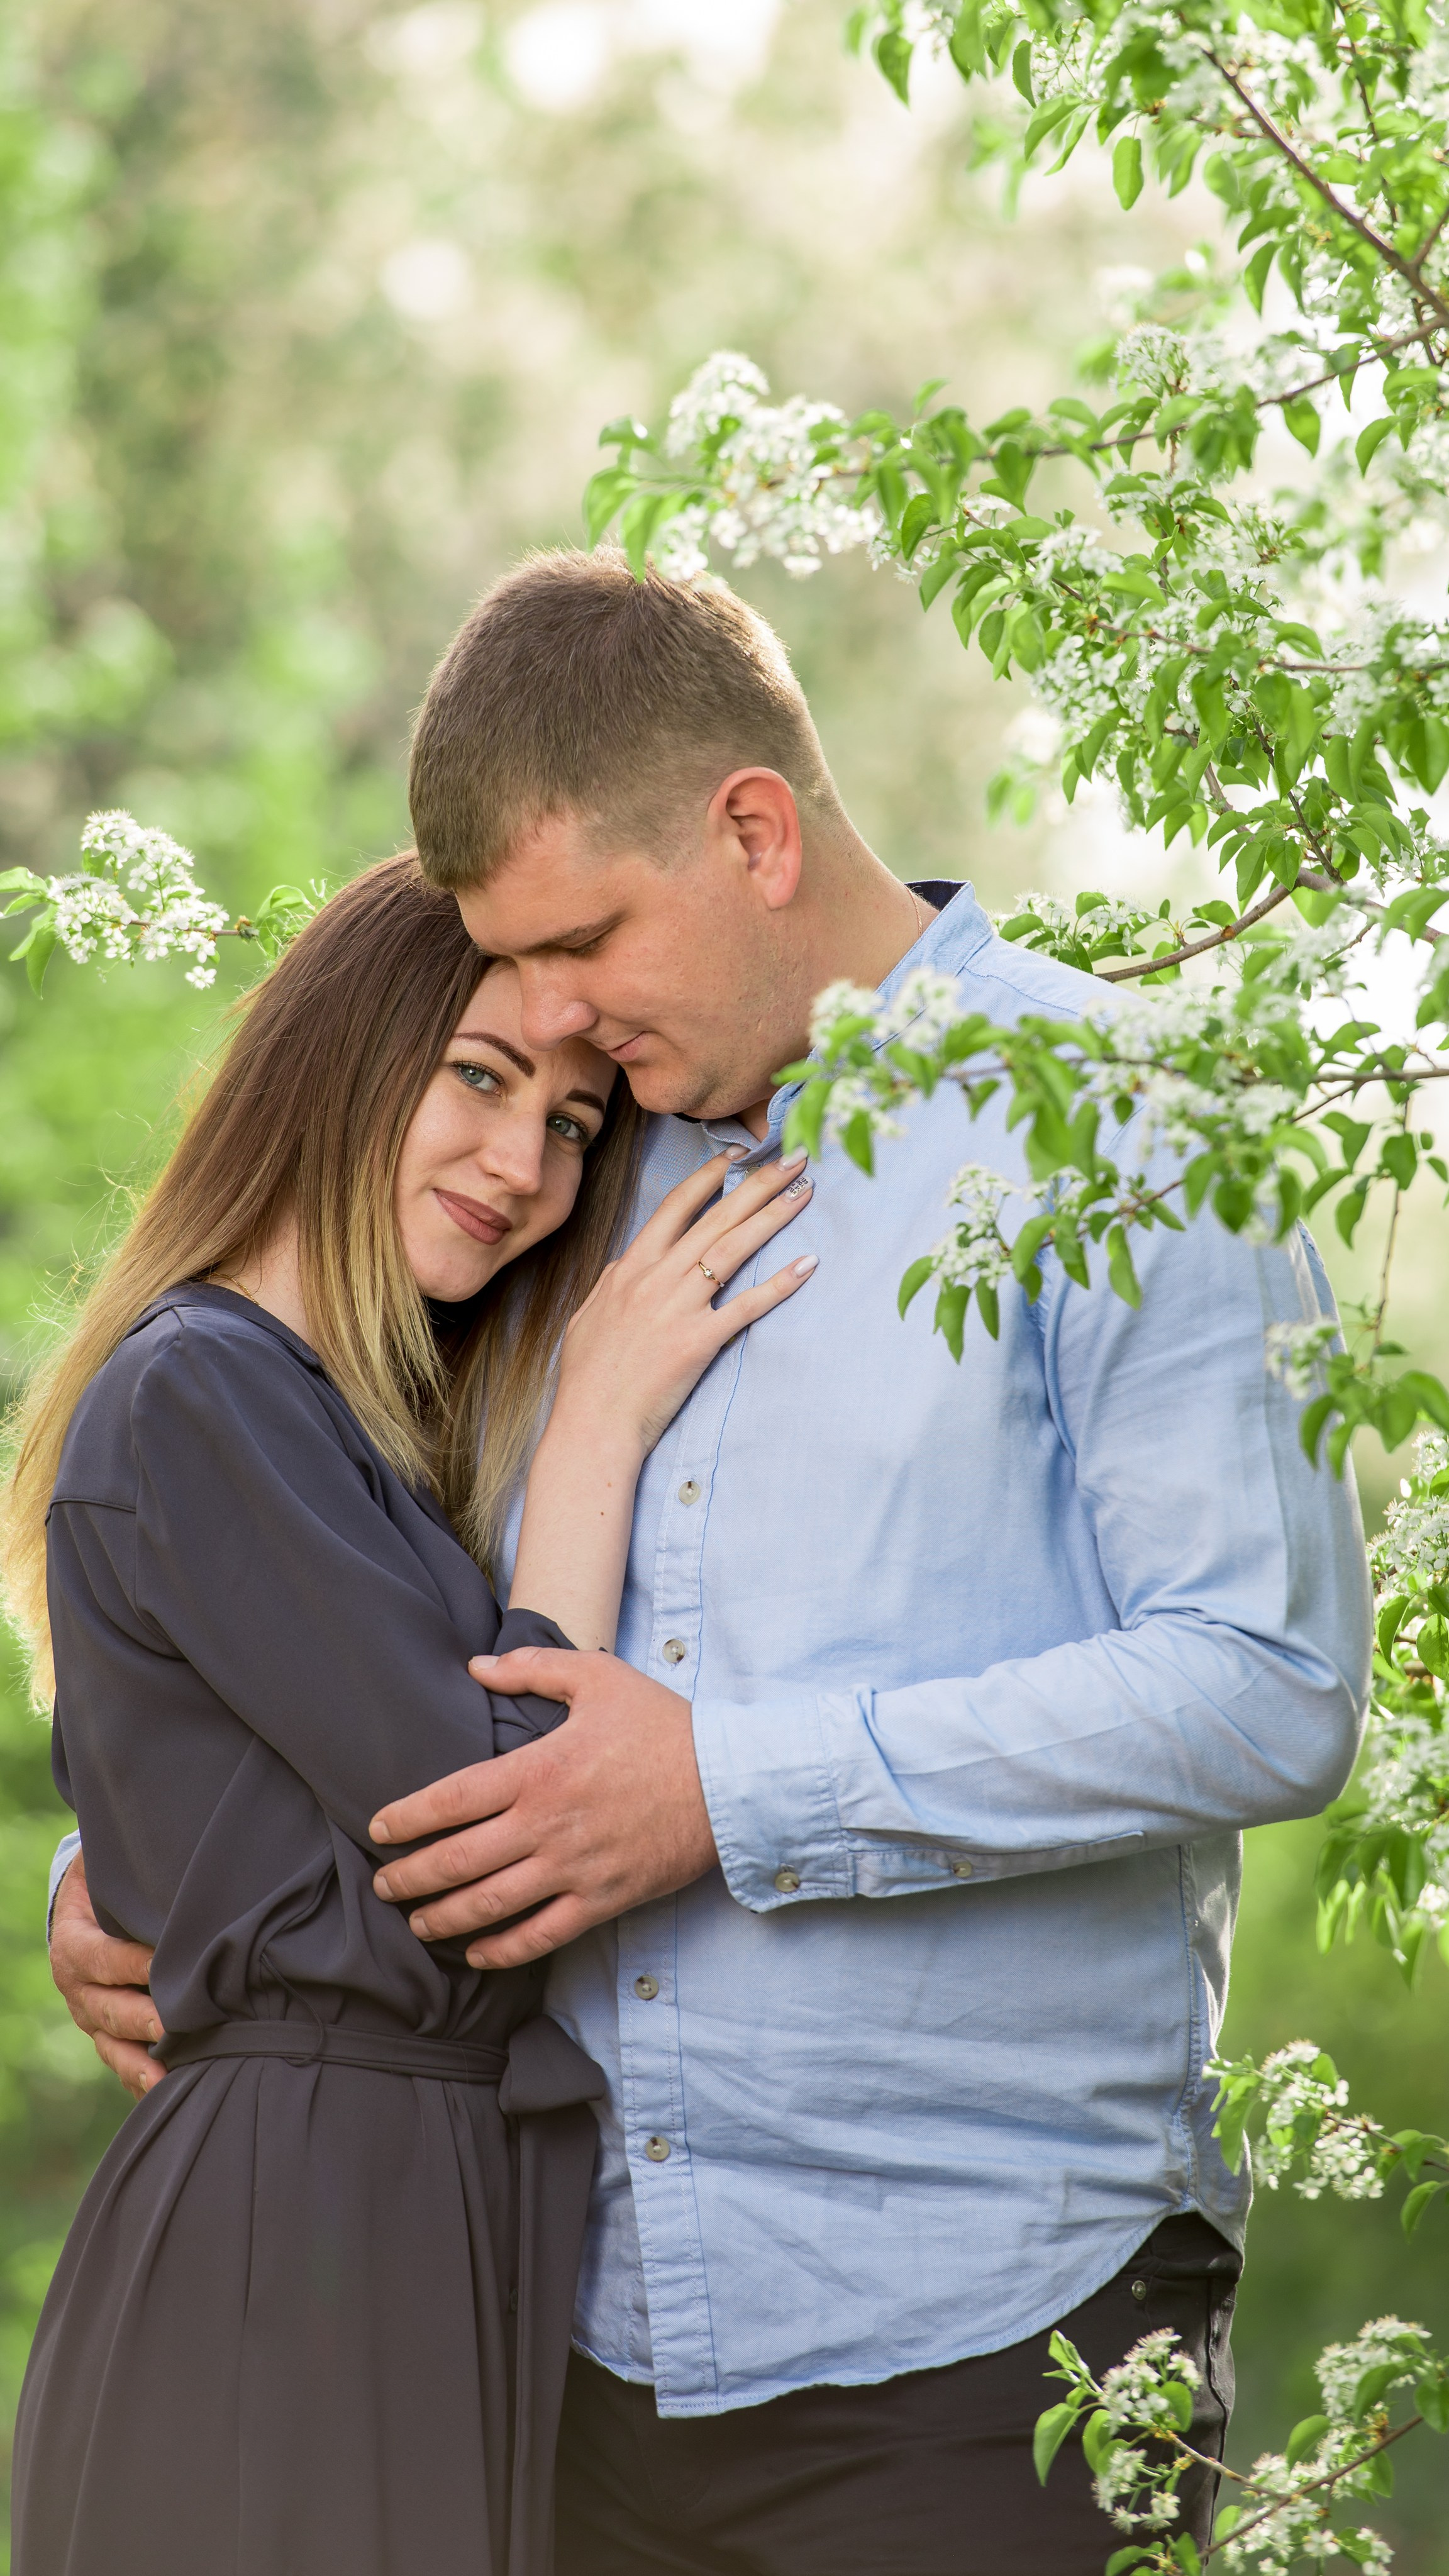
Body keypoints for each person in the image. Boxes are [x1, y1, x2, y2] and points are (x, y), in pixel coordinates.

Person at [50, 557, 1373, 2575]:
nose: (550, 1026)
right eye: (517, 985)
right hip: (551, 2335)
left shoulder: (1136, 1126)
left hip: (987, 2344)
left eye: (583, 939)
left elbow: (1266, 1683)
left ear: (754, 832)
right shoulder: (570, 1170)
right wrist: (149, 1853)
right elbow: (347, 1587)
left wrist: (725, 1792)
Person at [6, 851, 815, 2576]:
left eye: (579, 1125)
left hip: (415, 2234)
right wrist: (600, 1420)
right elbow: (503, 1856)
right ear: (343, 1052)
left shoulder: (354, 1435)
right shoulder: (200, 1391)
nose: (525, 1168)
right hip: (285, 2256)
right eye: (481, 1077)